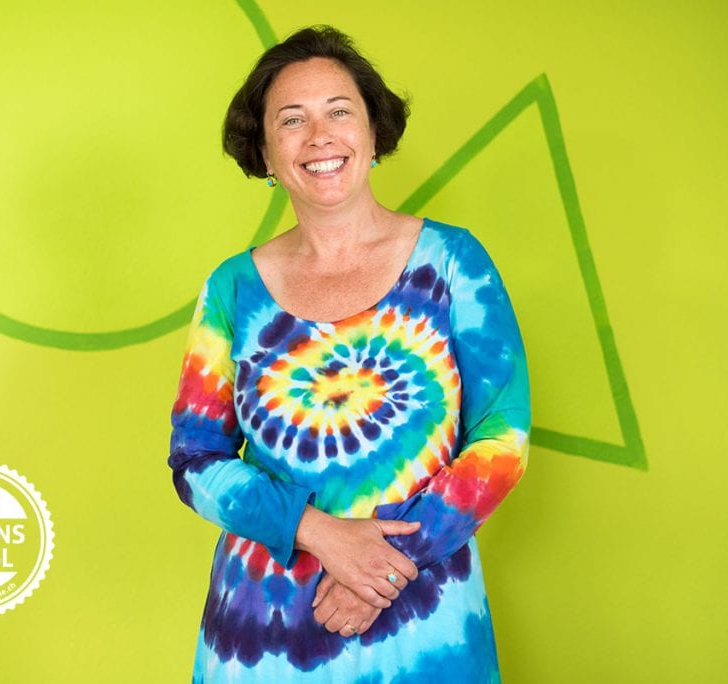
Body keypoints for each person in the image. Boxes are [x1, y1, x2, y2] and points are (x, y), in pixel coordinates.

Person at [168, 25, 530, 683]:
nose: (319, 135)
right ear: (266, 153)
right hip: (260, 637)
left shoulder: (453, 262)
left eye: (339, 111)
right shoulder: (231, 288)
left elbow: (502, 439)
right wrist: (318, 532)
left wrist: (386, 567)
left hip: (423, 624)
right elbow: (194, 461)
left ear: (372, 131)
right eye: (292, 120)